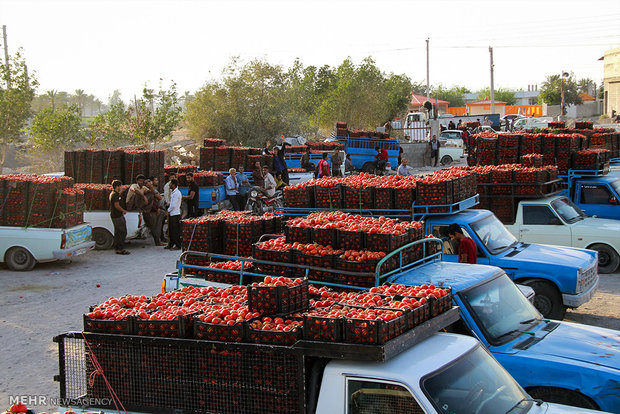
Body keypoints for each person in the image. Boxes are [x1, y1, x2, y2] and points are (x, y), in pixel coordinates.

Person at [109, 180, 129, 255]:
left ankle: (117, 248)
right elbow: (116, 205)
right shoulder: (115, 195)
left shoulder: (114, 194)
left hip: (115, 216)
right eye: (120, 186)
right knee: (122, 232)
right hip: (117, 216)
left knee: (117, 233)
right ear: (117, 186)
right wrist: (123, 210)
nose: (121, 187)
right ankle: (120, 248)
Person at [143, 178, 165, 246]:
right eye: (147, 183)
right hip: (149, 212)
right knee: (154, 227)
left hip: (155, 210)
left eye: (150, 182)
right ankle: (157, 241)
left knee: (157, 226)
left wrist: (158, 208)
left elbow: (159, 197)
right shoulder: (144, 191)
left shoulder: (153, 191)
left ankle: (158, 240)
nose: (149, 184)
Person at [165, 178, 182, 250]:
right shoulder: (174, 192)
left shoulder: (177, 193)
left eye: (170, 183)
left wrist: (168, 210)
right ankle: (171, 244)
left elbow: (173, 205)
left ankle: (178, 245)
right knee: (171, 230)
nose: (169, 185)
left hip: (175, 214)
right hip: (172, 214)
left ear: (173, 185)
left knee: (175, 231)